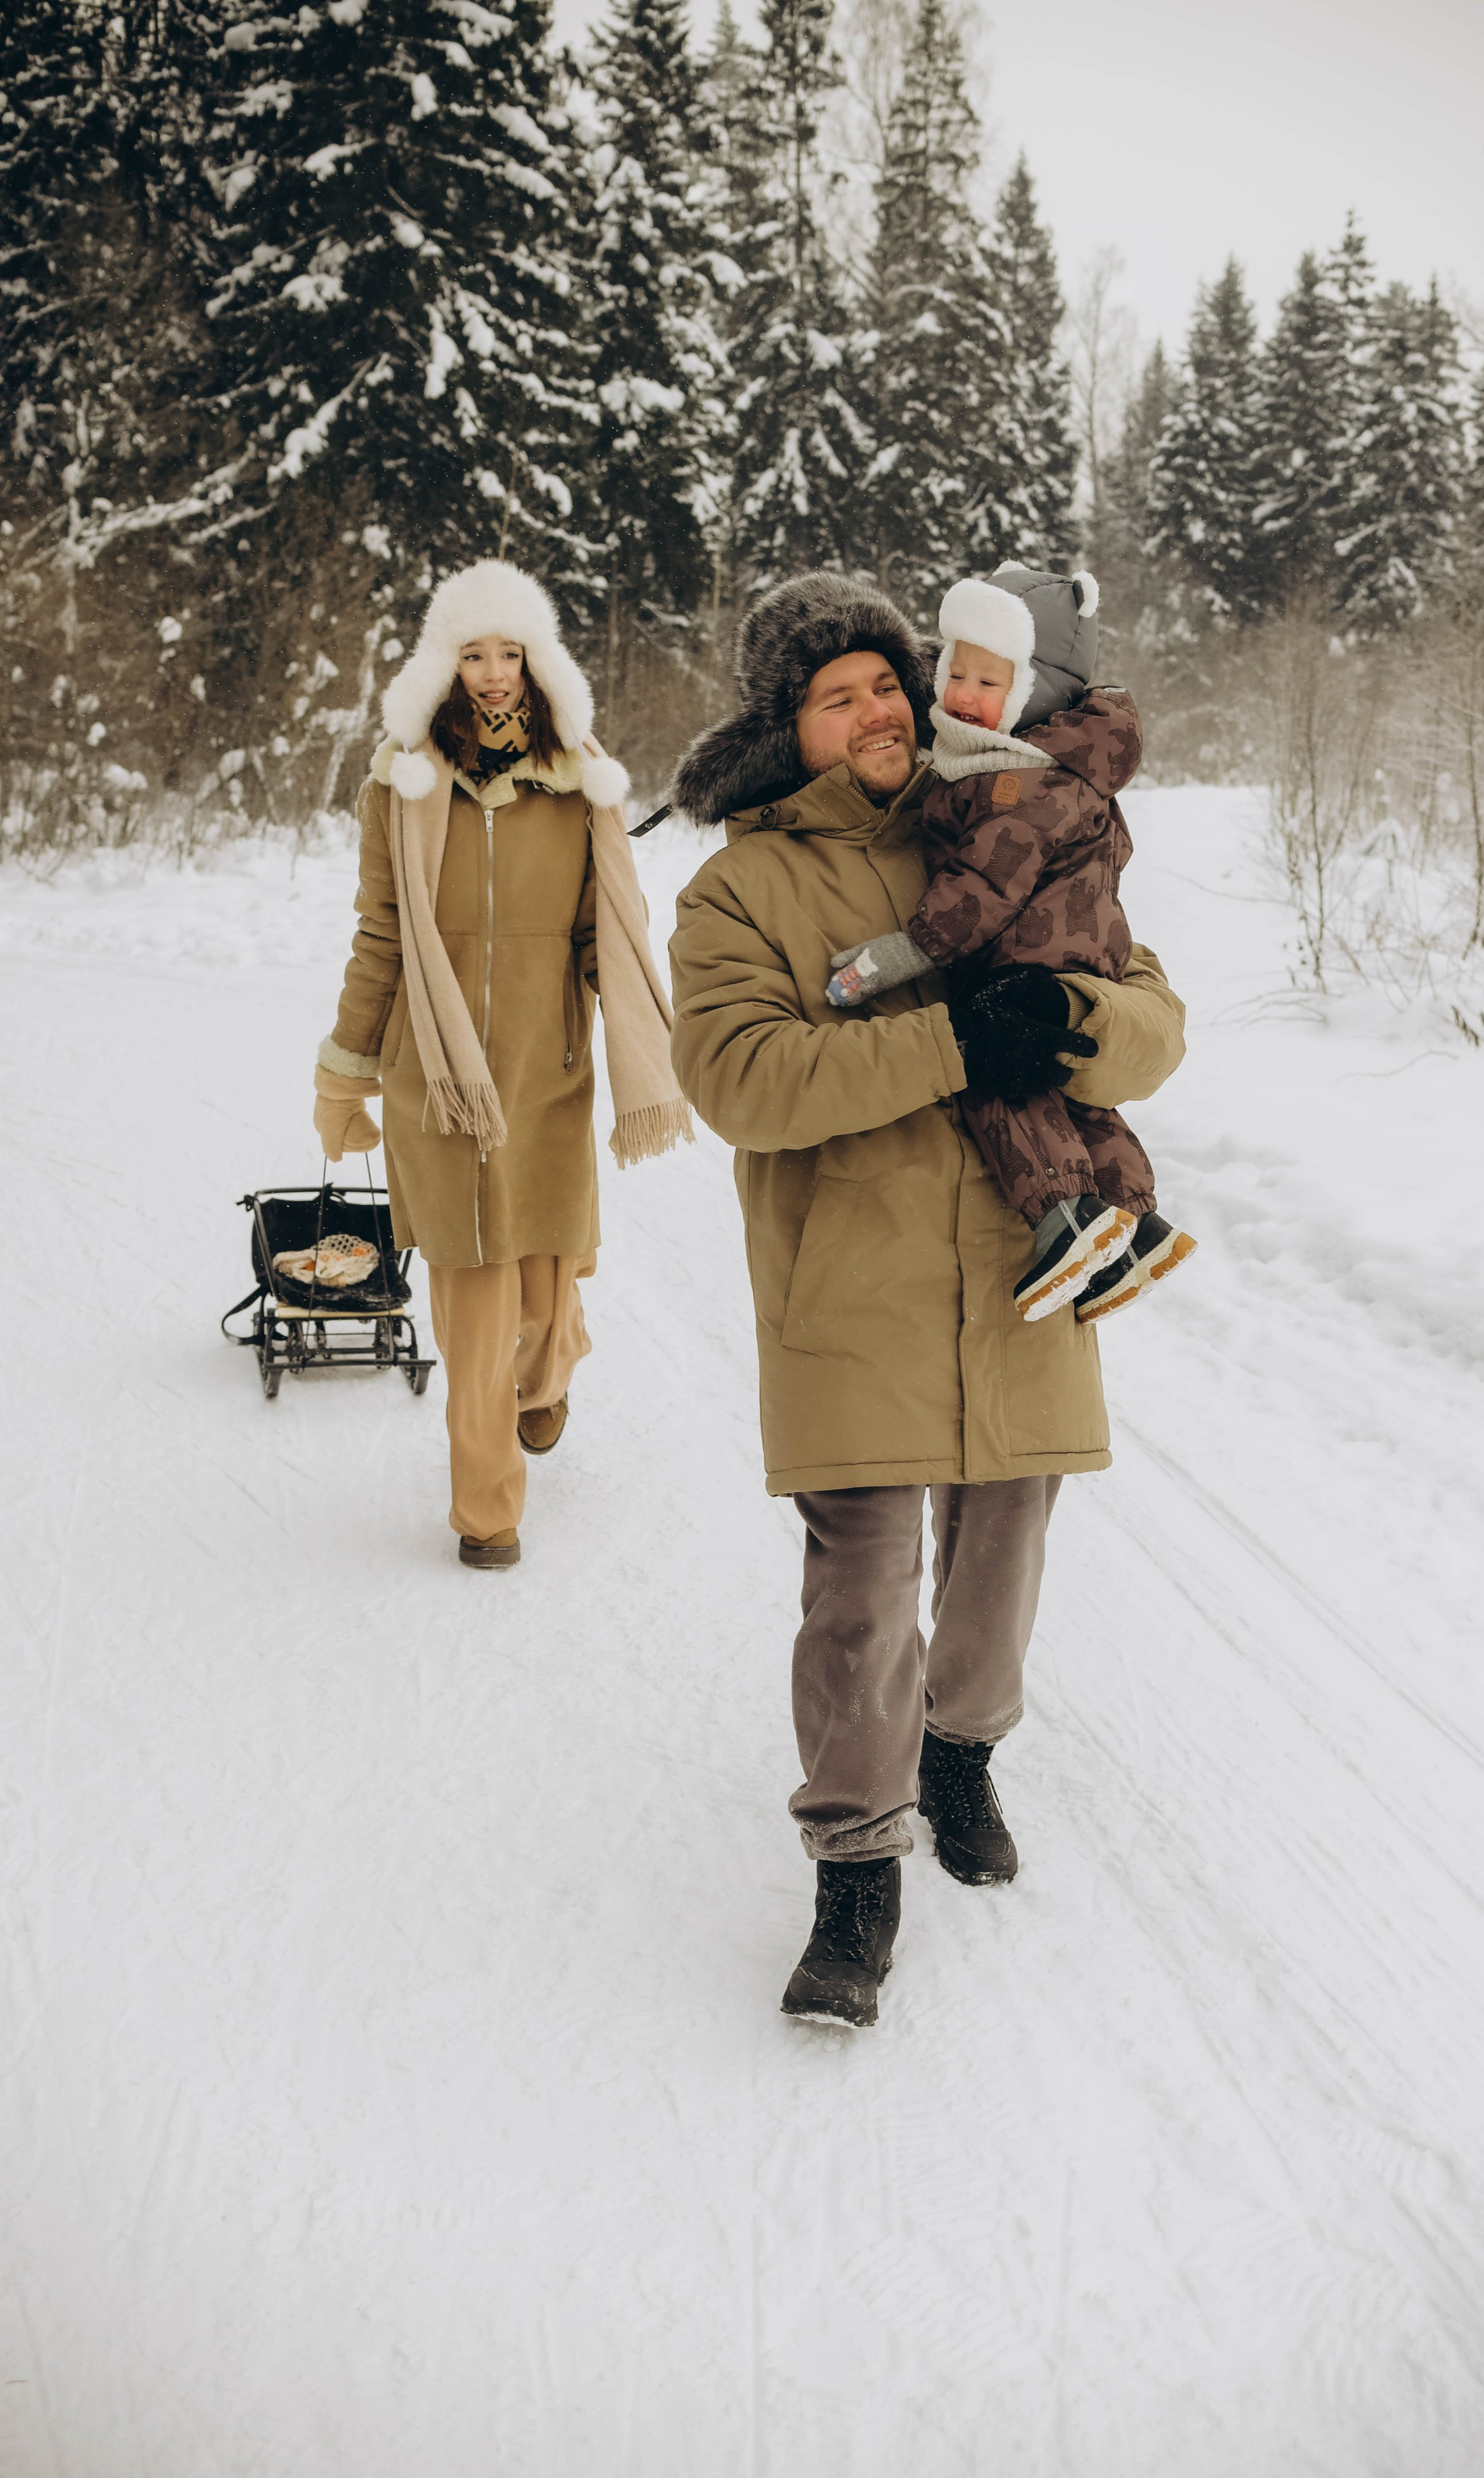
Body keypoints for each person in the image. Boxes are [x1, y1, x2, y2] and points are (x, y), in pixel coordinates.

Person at [666, 572, 1187, 2028]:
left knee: (1007, 1530)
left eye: (886, 682)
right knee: (861, 1579)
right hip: (853, 1278)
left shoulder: (1004, 817)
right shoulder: (741, 890)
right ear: (789, 729)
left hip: (1021, 1260)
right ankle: (852, 1863)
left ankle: (960, 1750)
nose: (879, 711)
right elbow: (745, 1081)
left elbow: (1155, 1024)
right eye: (837, 697)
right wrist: (954, 1039)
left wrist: (1072, 1020)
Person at [313, 558, 689, 1568]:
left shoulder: (578, 787)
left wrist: (645, 1037)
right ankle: (487, 1511)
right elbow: (381, 939)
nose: (491, 673)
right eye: (472, 653)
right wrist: (345, 1072)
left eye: (509, 652)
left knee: (543, 1305)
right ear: (444, 665)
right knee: (473, 1314)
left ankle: (551, 1375)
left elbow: (605, 932)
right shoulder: (398, 789)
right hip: (432, 1080)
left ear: (538, 664)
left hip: (546, 1073)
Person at [823, 561, 1197, 1325]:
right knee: (1079, 1105)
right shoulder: (1034, 766)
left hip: (1032, 958)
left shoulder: (1015, 784)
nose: (962, 693)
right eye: (956, 670)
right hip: (1078, 948)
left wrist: (884, 962)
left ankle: (1066, 1218)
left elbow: (975, 896)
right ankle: (1134, 1223)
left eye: (990, 683)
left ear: (1036, 693)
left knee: (1002, 1080)